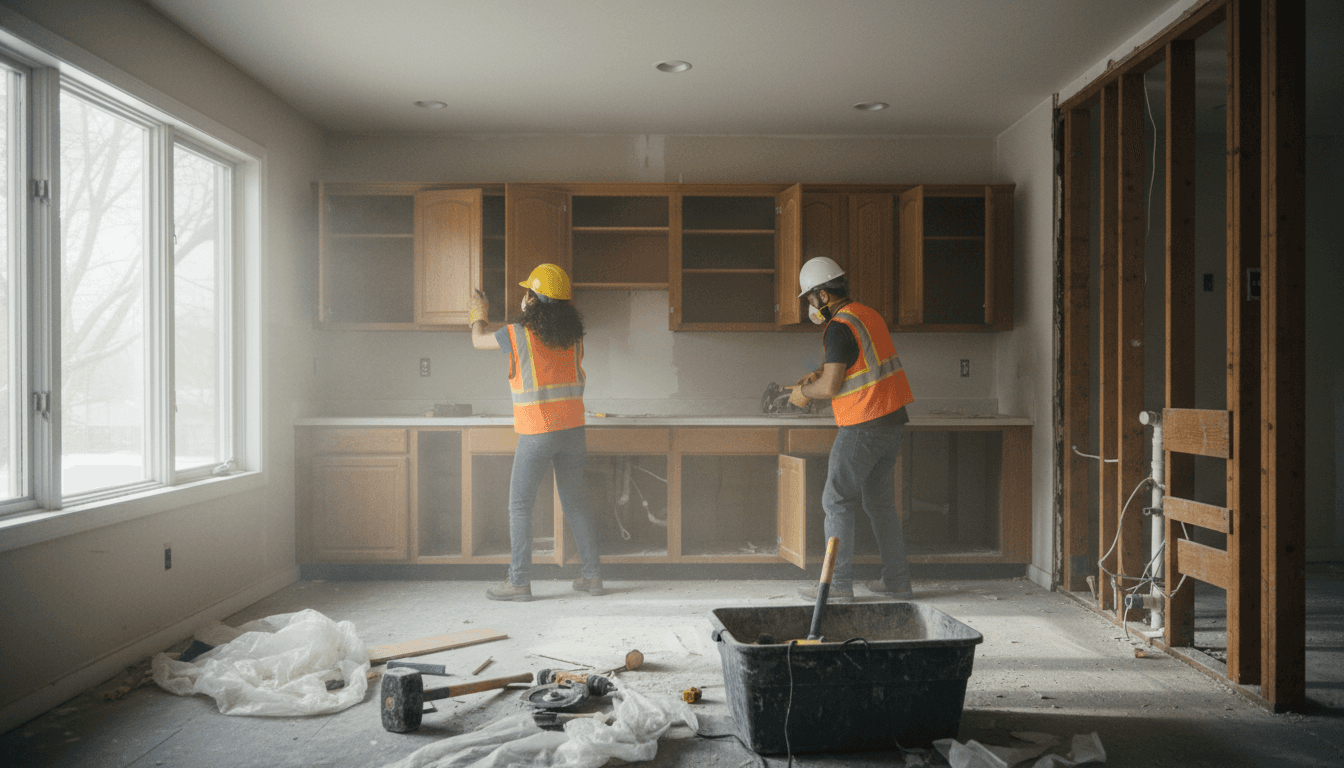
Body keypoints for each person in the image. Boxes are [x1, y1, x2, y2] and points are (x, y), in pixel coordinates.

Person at [468, 264, 604, 601]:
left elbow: (477, 340)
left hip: (538, 431)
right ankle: (593, 578)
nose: (523, 297)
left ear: (533, 300)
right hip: (573, 431)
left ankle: (519, 582)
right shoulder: (574, 337)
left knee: (519, 507)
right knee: (575, 504)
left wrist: (478, 312)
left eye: (527, 292)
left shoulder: (516, 334)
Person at [789, 257, 916, 602]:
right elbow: (856, 363)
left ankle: (838, 587)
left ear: (822, 295)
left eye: (809, 299)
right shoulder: (866, 314)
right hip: (891, 421)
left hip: (864, 423)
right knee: (879, 502)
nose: (809, 307)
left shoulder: (837, 326)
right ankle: (897, 581)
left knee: (836, 499)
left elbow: (830, 387)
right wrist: (818, 372)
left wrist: (804, 392)